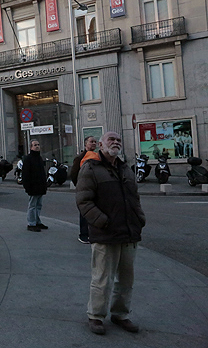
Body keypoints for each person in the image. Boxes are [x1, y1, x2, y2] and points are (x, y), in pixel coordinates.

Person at [77, 131, 145, 335]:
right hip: (105, 234)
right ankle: (96, 316)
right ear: (100, 144)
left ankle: (120, 314)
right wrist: (102, 222)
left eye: (118, 140)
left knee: (126, 279)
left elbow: (135, 198)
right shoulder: (91, 168)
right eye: (111, 140)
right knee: (102, 278)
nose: (115, 143)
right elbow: (83, 201)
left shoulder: (125, 169)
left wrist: (139, 218)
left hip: (129, 232)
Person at [70, 136, 99, 244]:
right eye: (91, 142)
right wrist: (80, 185)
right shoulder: (80, 157)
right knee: (84, 212)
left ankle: (93, 233)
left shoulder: (97, 156)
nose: (93, 144)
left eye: (95, 142)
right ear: (85, 144)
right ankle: (83, 235)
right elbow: (73, 174)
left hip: (96, 189)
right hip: (84, 189)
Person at [22, 139, 48, 232]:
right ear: (31, 147)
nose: (37, 146)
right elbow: (25, 174)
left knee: (39, 205)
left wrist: (45, 184)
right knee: (32, 205)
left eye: (38, 144)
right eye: (35, 145)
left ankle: (37, 221)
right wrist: (27, 187)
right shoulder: (28, 158)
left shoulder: (39, 158)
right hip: (33, 187)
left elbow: (42, 173)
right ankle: (31, 223)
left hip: (40, 186)